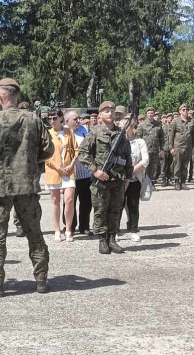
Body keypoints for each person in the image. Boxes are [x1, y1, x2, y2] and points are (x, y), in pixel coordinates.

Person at [0, 78, 54, 297]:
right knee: (35, 234)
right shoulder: (33, 120)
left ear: (1, 97)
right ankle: (41, 281)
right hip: (27, 185)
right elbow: (48, 150)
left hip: (1, 187)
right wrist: (29, 160)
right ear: (16, 96)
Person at [80, 105, 132, 254]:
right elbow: (83, 153)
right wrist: (95, 171)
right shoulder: (95, 132)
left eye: (112, 111)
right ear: (100, 115)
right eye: (106, 111)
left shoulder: (121, 134)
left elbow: (127, 157)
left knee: (115, 210)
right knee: (100, 210)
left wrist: (128, 177)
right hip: (101, 180)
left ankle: (112, 239)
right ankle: (102, 240)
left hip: (118, 179)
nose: (110, 113)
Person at [45, 109, 78, 242]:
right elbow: (45, 155)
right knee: (55, 200)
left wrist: (71, 165)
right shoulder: (47, 134)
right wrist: (58, 168)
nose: (52, 121)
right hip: (54, 170)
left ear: (60, 118)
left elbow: (76, 150)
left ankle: (68, 229)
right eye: (50, 118)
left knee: (69, 199)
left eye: (54, 118)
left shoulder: (69, 132)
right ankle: (57, 230)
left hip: (69, 171)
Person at [65, 110, 92, 236]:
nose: (78, 120)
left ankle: (85, 226)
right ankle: (69, 226)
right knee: (69, 201)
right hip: (69, 173)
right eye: (75, 119)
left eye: (78, 118)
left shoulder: (83, 129)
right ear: (67, 121)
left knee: (86, 201)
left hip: (85, 172)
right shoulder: (64, 131)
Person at [124, 117, 149, 243]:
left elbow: (145, 161)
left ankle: (133, 229)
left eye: (127, 124)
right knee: (118, 204)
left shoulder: (140, 142)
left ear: (132, 126)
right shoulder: (119, 141)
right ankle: (115, 230)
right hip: (120, 178)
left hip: (134, 178)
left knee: (133, 204)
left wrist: (131, 170)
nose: (124, 127)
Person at [169, 104, 194, 190]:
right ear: (180, 111)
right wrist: (171, 147)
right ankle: (177, 182)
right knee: (177, 164)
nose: (185, 111)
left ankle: (183, 182)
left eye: (186, 109)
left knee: (185, 165)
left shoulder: (191, 121)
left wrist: (193, 147)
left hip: (188, 147)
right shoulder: (175, 121)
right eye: (183, 109)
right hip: (178, 146)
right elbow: (171, 135)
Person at [136, 107, 165, 184]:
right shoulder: (142, 125)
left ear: (153, 114)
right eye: (148, 113)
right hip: (145, 150)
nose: (150, 115)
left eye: (152, 113)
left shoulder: (158, 124)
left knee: (154, 167)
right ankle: (143, 183)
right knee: (145, 167)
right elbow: (138, 138)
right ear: (146, 114)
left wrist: (161, 149)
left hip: (155, 149)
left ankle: (151, 183)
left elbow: (161, 138)